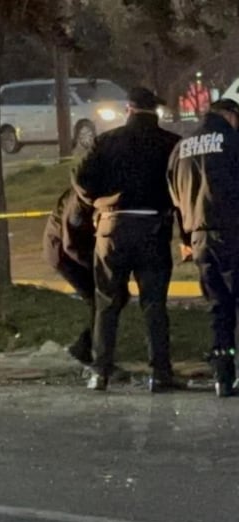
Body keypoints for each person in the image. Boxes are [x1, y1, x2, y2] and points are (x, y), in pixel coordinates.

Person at [73, 87, 182, 392]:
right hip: (153, 228)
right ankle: (160, 373)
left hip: (112, 229)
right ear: (154, 112)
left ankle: (100, 372)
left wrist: (98, 203)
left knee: (107, 301)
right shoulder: (171, 144)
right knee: (154, 303)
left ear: (129, 110)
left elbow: (82, 180)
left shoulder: (107, 141)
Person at [168, 98, 239, 397]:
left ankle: (222, 377)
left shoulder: (181, 148)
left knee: (218, 306)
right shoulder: (232, 141)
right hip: (233, 232)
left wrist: (186, 239)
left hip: (198, 238)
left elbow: (174, 195)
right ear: (230, 115)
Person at [42, 187, 96, 364]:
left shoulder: (86, 193)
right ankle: (86, 349)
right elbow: (70, 244)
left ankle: (88, 347)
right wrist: (95, 266)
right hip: (65, 254)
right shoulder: (79, 199)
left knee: (107, 299)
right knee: (101, 299)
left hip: (72, 249)